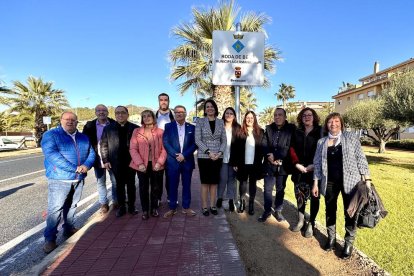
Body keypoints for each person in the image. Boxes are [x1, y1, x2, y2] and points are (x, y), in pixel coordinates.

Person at [313, 112, 371, 259]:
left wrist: (367, 180)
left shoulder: (351, 138)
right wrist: (315, 183)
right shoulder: (321, 142)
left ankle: (348, 243)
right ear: (326, 125)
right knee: (330, 211)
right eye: (330, 122)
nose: (333, 124)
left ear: (341, 123)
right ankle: (331, 238)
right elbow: (317, 164)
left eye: (336, 121)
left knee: (350, 212)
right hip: (329, 182)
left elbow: (361, 159)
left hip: (351, 182)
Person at [41, 112, 95, 253]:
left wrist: (86, 166)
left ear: (77, 122)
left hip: (78, 179)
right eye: (67, 119)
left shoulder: (83, 137)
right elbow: (52, 155)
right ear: (61, 120)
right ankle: (50, 239)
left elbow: (92, 153)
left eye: (73, 120)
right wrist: (75, 168)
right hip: (60, 179)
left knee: (72, 206)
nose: (70, 122)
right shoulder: (51, 135)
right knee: (55, 209)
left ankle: (69, 229)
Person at [100, 106, 139, 217]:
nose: (120, 115)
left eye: (122, 113)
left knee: (131, 185)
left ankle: (131, 206)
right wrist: (105, 160)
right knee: (119, 185)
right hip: (115, 162)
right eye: (117, 113)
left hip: (132, 162)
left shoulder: (135, 128)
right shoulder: (108, 128)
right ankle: (122, 207)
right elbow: (103, 145)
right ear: (115, 115)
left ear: (127, 114)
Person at [289, 108, 322, 237]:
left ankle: (311, 223)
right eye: (304, 115)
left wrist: (314, 165)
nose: (307, 117)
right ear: (301, 118)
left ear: (314, 117)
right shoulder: (297, 132)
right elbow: (291, 149)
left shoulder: (320, 131)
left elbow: (323, 150)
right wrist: (296, 164)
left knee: (315, 197)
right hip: (299, 170)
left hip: (315, 170)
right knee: (300, 196)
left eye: (309, 115)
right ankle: (301, 221)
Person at [259, 108, 295, 222]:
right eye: (275, 115)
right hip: (269, 165)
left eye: (280, 115)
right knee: (268, 189)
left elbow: (288, 147)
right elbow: (264, 144)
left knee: (280, 189)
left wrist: (276, 156)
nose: (277, 117)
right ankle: (267, 211)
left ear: (285, 117)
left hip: (282, 166)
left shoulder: (291, 129)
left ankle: (278, 210)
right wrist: (269, 156)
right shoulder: (269, 128)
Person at [130, 110, 167, 220]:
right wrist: (140, 163)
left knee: (156, 188)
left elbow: (164, 149)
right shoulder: (136, 131)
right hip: (142, 165)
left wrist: (160, 163)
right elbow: (133, 149)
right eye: (144, 116)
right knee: (143, 188)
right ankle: (145, 210)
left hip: (156, 165)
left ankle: (154, 208)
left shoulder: (161, 132)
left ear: (153, 117)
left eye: (149, 116)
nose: (146, 118)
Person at [163, 105, 198, 218]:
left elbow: (195, 144)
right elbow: (166, 142)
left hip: (187, 161)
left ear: (185, 113)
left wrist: (184, 155)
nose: (179, 114)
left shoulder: (192, 128)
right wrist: (176, 155)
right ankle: (172, 208)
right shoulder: (168, 126)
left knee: (186, 185)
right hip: (173, 162)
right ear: (174, 114)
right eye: (177, 112)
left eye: (182, 112)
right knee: (172, 185)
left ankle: (186, 207)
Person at [82, 104, 116, 213]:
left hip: (111, 158)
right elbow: (84, 142)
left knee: (115, 181)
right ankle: (103, 203)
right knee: (101, 182)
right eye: (99, 110)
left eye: (104, 110)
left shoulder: (113, 123)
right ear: (95, 112)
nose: (101, 112)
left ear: (107, 112)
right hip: (97, 158)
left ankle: (116, 201)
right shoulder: (89, 126)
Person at [195, 99, 226, 216]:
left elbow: (224, 140)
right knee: (205, 183)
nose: (209, 108)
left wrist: (219, 153)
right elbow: (197, 139)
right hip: (204, 156)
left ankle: (213, 206)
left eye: (212, 106)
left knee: (214, 183)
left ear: (215, 108)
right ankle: (204, 207)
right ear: (205, 109)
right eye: (207, 107)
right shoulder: (200, 121)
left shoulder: (221, 122)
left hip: (217, 157)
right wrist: (208, 152)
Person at [231, 111, 264, 215]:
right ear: (245, 119)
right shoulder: (240, 132)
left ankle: (251, 204)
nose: (249, 119)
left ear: (254, 119)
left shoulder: (260, 132)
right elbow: (234, 148)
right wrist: (235, 163)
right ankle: (242, 202)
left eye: (251, 118)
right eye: (247, 118)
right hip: (242, 162)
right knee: (243, 183)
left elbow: (263, 148)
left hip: (255, 163)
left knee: (253, 183)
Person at [217, 107, 240, 212]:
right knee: (222, 179)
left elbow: (241, 146)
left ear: (234, 116)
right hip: (221, 158)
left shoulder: (238, 128)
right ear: (224, 114)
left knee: (231, 181)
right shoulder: (219, 126)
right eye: (227, 113)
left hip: (233, 159)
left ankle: (231, 200)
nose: (229, 115)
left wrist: (237, 162)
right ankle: (219, 198)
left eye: (231, 113)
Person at [155, 92, 175, 204]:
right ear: (158, 101)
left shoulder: (173, 117)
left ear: (168, 101)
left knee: (170, 176)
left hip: (170, 151)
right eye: (161, 99)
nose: (163, 101)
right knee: (157, 177)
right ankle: (157, 198)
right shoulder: (153, 116)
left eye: (165, 99)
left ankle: (170, 197)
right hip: (157, 151)